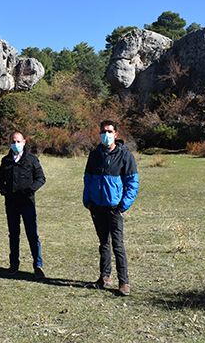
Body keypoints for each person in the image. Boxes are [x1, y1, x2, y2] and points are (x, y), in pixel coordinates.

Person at [83, 120, 140, 296]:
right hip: (97, 207)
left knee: (118, 245)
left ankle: (124, 282)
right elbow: (87, 179)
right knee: (103, 244)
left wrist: (123, 205)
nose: (105, 134)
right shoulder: (94, 155)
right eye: (103, 131)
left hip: (114, 207)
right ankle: (104, 277)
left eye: (109, 131)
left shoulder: (125, 156)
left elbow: (132, 182)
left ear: (116, 134)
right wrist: (88, 201)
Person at [0, 131, 46, 280]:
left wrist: (30, 190)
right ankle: (13, 264)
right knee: (13, 234)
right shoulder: (5, 161)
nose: (15, 144)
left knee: (32, 234)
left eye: (18, 141)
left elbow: (41, 178)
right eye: (13, 142)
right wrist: (4, 190)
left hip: (27, 203)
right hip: (11, 203)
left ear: (24, 142)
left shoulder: (31, 160)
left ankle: (38, 265)